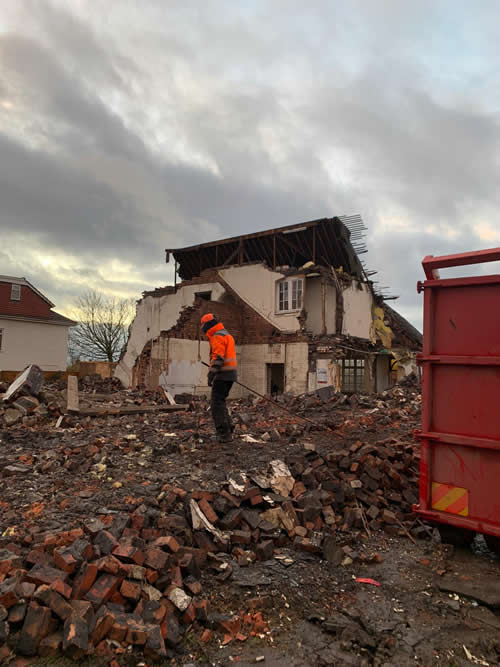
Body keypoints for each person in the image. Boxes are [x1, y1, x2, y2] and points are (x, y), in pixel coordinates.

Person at [200, 313, 237, 443]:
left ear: (207, 326)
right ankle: (229, 429)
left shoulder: (217, 336)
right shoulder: (226, 334)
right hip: (230, 374)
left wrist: (211, 374)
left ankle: (223, 434)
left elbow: (218, 358)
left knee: (216, 404)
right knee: (221, 402)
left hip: (222, 375)